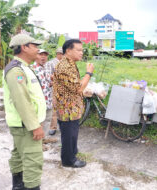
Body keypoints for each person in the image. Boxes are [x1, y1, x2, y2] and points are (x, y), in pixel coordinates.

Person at [3, 34, 46, 190]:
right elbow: (21, 101)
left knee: (19, 156)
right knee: (32, 161)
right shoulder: (16, 70)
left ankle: (18, 186)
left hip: (22, 124)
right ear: (24, 47)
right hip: (26, 126)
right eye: (34, 46)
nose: (38, 49)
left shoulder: (23, 68)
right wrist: (35, 126)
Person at [53, 39, 94, 168]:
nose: (82, 53)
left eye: (82, 50)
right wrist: (89, 73)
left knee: (72, 133)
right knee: (68, 135)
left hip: (72, 107)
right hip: (67, 109)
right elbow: (78, 88)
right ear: (68, 51)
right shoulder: (65, 66)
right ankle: (68, 160)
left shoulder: (70, 63)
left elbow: (73, 86)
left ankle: (72, 153)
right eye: (79, 50)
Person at [32, 49, 53, 135]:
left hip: (48, 101)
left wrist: (52, 82)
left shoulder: (46, 68)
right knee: (39, 122)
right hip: (39, 103)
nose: (43, 57)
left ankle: (44, 139)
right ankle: (38, 143)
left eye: (45, 55)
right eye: (41, 54)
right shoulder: (32, 69)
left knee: (47, 120)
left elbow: (47, 83)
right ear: (35, 56)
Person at [45, 47, 63, 136]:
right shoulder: (51, 63)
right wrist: (55, 79)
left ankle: (63, 126)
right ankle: (53, 127)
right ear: (58, 54)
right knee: (55, 109)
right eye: (62, 54)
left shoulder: (66, 64)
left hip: (65, 90)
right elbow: (48, 77)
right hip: (55, 89)